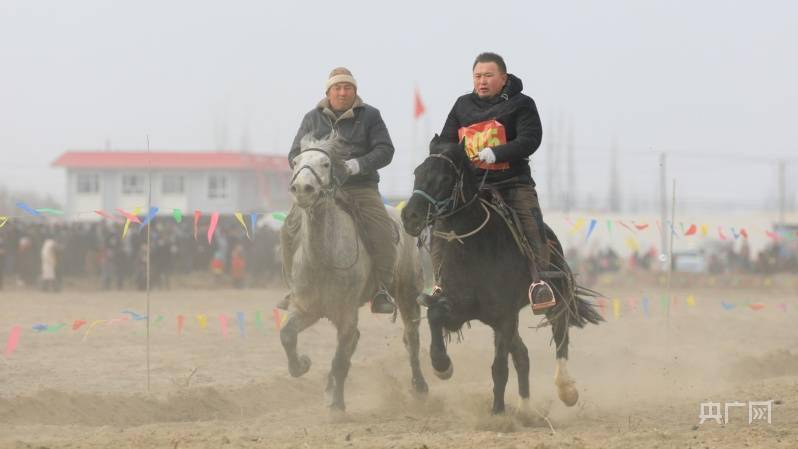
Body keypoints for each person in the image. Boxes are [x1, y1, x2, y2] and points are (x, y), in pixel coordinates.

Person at [424, 52, 556, 312]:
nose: (482, 81)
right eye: (477, 76)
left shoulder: (522, 104)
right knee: (439, 224)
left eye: (488, 75)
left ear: (503, 78)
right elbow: (449, 142)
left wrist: (497, 152)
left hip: (511, 182)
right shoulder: (462, 105)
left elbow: (531, 139)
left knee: (531, 224)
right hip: (471, 186)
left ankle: (540, 282)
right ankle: (440, 282)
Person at [278, 67, 398, 314]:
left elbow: (386, 150)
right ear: (328, 92)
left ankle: (382, 290)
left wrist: (359, 164)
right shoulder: (312, 118)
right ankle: (295, 287)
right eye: (337, 88)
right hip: (321, 191)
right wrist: (307, 168)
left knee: (382, 230)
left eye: (347, 88)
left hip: (360, 187)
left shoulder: (370, 116)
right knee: (288, 229)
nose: (342, 93)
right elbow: (294, 154)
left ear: (355, 91)